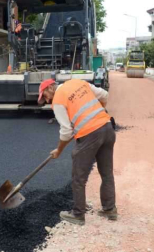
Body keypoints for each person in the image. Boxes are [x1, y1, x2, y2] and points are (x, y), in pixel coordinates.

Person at [38, 78, 117, 225]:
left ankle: (78, 214)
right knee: (107, 173)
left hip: (90, 134)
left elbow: (66, 131)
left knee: (78, 177)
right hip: (107, 127)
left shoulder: (58, 99)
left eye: (45, 96)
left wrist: (59, 150)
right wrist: (97, 116)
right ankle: (110, 209)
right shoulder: (78, 82)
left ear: (50, 88)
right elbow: (104, 95)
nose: (47, 100)